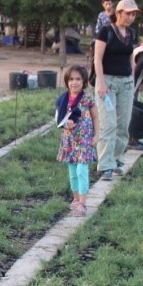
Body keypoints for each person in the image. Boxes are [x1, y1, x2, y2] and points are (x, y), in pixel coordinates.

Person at [94, 0, 139, 180]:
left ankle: (116, 160)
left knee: (123, 124)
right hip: (108, 83)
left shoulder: (131, 33)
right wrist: (102, 83)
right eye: (128, 13)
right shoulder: (106, 31)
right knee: (108, 124)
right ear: (118, 13)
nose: (131, 17)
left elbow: (131, 58)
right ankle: (105, 165)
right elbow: (97, 59)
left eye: (134, 14)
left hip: (126, 83)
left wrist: (133, 80)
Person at [55, 64, 99, 216]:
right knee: (73, 172)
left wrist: (96, 135)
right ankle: (76, 199)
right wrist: (65, 124)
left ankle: (83, 202)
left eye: (78, 79)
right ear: (67, 81)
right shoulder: (63, 99)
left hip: (84, 140)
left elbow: (95, 117)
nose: (75, 82)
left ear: (84, 81)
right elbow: (58, 120)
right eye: (71, 79)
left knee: (82, 170)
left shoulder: (87, 98)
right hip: (69, 141)